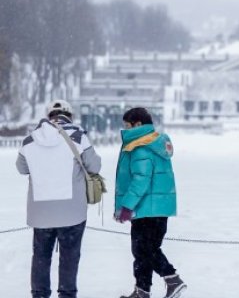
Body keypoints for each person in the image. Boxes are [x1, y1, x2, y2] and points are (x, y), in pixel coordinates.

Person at [16, 100, 102, 298]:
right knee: (70, 258)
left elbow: (21, 168)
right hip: (72, 212)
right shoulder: (79, 137)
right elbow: (95, 167)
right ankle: (67, 294)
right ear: (69, 116)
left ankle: (39, 294)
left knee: (41, 257)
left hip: (41, 212)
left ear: (49, 116)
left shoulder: (30, 139)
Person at [115, 107, 187, 298]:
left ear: (138, 125)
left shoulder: (141, 147)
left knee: (144, 250)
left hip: (146, 208)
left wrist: (127, 205)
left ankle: (172, 279)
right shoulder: (154, 142)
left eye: (127, 125)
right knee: (144, 250)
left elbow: (141, 179)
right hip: (157, 208)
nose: (124, 129)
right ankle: (142, 290)